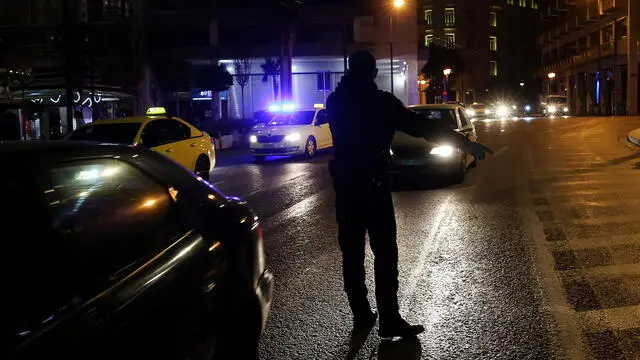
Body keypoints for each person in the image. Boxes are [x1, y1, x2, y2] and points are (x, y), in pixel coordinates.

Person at [326, 50, 492, 338]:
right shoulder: (381, 103)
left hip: (346, 187)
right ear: (373, 73)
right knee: (385, 254)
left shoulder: (335, 101)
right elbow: (423, 127)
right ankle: (389, 318)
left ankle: (362, 314)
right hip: (374, 187)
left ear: (350, 71)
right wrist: (464, 143)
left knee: (351, 254)